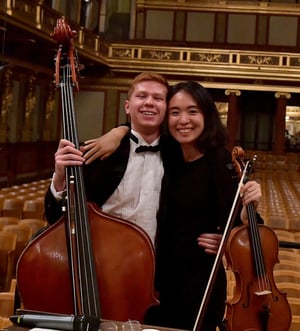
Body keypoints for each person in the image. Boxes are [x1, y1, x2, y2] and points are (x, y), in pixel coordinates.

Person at [84, 81, 262, 331]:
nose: (183, 120)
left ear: (207, 115)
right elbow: (139, 129)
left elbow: (243, 226)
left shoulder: (219, 161)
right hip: (157, 281)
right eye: (175, 112)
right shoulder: (169, 153)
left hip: (197, 283)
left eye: (193, 111)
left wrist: (230, 236)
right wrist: (119, 132)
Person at [44, 71, 169, 245]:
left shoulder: (176, 156)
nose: (149, 102)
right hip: (102, 258)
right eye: (141, 96)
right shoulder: (99, 153)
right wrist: (59, 178)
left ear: (166, 107)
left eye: (158, 98)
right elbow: (56, 218)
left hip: (157, 263)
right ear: (127, 106)